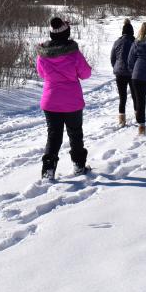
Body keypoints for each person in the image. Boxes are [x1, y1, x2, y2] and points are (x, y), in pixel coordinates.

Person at [36, 16, 93, 179]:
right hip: (71, 102)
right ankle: (79, 167)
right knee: (75, 134)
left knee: (54, 135)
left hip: (50, 101)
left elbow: (41, 74)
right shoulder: (73, 53)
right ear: (66, 34)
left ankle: (48, 170)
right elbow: (86, 73)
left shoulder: (43, 54)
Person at [109, 19, 136, 126]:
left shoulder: (117, 42)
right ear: (132, 32)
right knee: (135, 95)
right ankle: (138, 116)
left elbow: (112, 58)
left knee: (122, 97)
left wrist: (116, 67)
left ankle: (121, 120)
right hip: (132, 73)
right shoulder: (135, 42)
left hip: (119, 73)